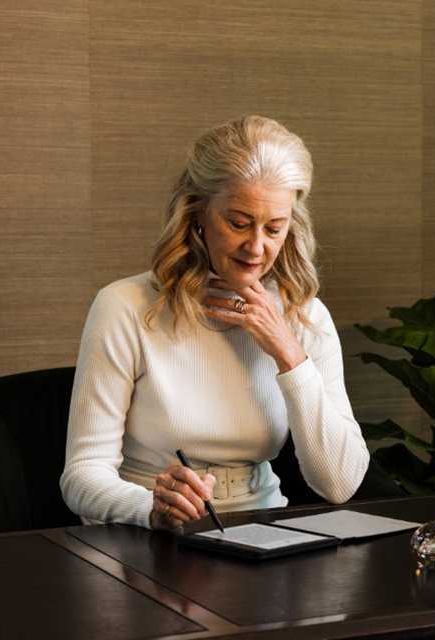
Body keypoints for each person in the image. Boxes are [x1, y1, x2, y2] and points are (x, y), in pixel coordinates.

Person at [60, 115, 370, 530]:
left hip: (262, 532)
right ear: (198, 213)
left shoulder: (305, 316)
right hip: (146, 535)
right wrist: (151, 507)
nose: (256, 247)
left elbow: (339, 484)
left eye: (273, 229)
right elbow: (81, 476)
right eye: (238, 223)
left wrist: (290, 355)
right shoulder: (125, 306)